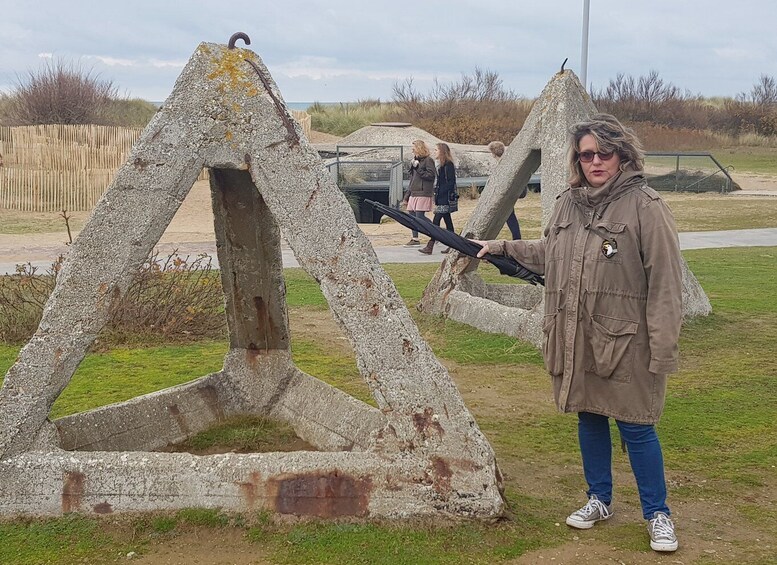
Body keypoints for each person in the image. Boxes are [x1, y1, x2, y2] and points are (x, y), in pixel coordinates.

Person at [474, 114, 683, 553]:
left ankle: (657, 513)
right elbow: (554, 251)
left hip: (627, 341)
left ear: (622, 154)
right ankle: (598, 499)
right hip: (577, 333)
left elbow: (665, 284)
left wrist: (663, 352)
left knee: (637, 426)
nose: (595, 161)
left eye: (604, 153)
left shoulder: (647, 206)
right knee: (589, 416)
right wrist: (503, 248)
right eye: (586, 154)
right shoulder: (569, 203)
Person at [419, 142, 457, 254]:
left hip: (444, 198)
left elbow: (451, 182)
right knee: (448, 222)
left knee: (436, 221)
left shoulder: (448, 165)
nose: (434, 152)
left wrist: (442, 193)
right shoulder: (441, 166)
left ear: (442, 151)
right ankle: (454, 245)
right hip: (440, 197)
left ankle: (430, 245)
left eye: (436, 150)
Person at [403, 140, 437, 247]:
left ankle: (437, 233)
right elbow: (412, 179)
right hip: (414, 192)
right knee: (412, 216)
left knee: (420, 216)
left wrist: (419, 169)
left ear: (419, 148)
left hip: (423, 192)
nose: (412, 150)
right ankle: (415, 238)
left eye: (414, 148)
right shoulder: (414, 161)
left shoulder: (428, 160)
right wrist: (407, 195)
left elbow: (431, 176)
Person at [488, 140, 524, 240]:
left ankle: (517, 238)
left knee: (507, 217)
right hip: (510, 194)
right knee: (510, 216)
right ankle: (517, 238)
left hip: (506, 195)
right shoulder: (509, 162)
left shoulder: (502, 165)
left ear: (493, 153)